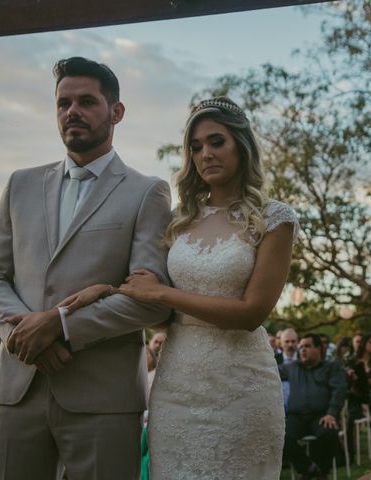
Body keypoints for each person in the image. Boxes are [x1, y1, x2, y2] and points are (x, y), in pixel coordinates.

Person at [59, 96, 299, 479]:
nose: (206, 154)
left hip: (242, 387)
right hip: (177, 386)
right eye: (196, 146)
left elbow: (253, 313)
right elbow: (152, 299)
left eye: (216, 141)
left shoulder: (274, 218)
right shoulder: (179, 220)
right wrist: (105, 289)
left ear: (241, 144)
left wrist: (163, 294)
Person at [0, 57, 172, 480]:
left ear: (116, 111)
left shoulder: (148, 192)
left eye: (87, 101)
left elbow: (151, 301)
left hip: (103, 397)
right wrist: (25, 334)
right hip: (16, 388)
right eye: (63, 102)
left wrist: (61, 326)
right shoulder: (20, 184)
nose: (71, 111)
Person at [280, 334, 347, 480]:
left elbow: (339, 391)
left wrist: (332, 413)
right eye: (301, 347)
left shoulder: (331, 367)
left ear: (319, 348)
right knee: (279, 434)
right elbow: (269, 374)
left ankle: (322, 471)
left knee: (328, 433)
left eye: (307, 346)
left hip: (322, 415)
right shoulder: (292, 367)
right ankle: (308, 468)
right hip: (296, 417)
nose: (303, 350)